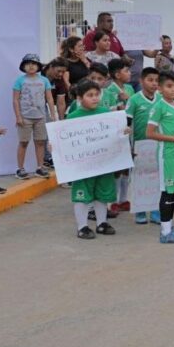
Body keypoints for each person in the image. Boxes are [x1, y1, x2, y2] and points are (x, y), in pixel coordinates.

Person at [67, 79, 124, 239]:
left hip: (103, 164)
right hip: (83, 166)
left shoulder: (106, 114)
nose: (94, 98)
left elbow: (115, 136)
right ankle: (82, 226)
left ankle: (101, 223)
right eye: (89, 95)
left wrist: (123, 132)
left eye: (97, 94)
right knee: (82, 195)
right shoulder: (73, 116)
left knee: (102, 193)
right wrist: (55, 147)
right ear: (79, 98)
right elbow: (65, 140)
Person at [146, 70, 174, 243]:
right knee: (167, 191)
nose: (173, 90)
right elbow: (149, 133)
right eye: (169, 86)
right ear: (160, 88)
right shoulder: (159, 107)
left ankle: (169, 226)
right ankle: (165, 233)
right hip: (168, 155)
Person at [123, 66, 160, 219]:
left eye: (156, 81)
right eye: (150, 80)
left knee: (157, 178)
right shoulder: (134, 100)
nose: (154, 83)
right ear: (141, 81)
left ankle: (156, 210)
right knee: (140, 178)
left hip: (158, 144)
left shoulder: (161, 99)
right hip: (140, 145)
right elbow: (127, 122)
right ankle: (140, 210)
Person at [12, 54, 56, 179]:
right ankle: (20, 169)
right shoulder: (20, 80)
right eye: (28, 64)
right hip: (25, 117)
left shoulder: (44, 80)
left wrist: (53, 114)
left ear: (38, 66)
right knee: (23, 142)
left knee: (40, 142)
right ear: (23, 66)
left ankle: (39, 167)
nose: (31, 66)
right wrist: (18, 116)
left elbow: (49, 98)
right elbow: (15, 100)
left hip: (41, 116)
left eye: (34, 64)